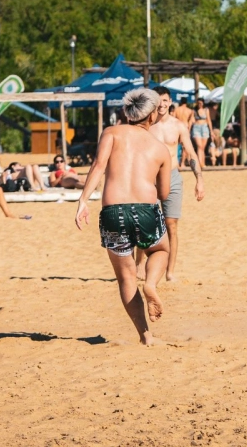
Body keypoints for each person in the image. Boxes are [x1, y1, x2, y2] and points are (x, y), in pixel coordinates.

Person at [74, 88, 171, 345]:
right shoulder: (161, 149)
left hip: (112, 212)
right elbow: (163, 192)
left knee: (126, 277)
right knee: (161, 250)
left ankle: (145, 336)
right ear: (150, 116)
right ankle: (151, 283)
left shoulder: (111, 133)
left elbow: (98, 166)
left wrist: (83, 200)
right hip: (145, 210)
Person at [142, 87, 205, 283]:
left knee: (172, 225)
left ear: (170, 102)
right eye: (158, 101)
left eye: (165, 100)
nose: (162, 104)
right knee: (143, 223)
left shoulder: (178, 126)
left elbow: (191, 153)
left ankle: (170, 272)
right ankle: (138, 266)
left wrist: (199, 179)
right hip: (149, 178)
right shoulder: (145, 126)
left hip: (172, 176)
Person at [189, 98, 212, 169]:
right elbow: (191, 120)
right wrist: (188, 130)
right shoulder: (194, 110)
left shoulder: (206, 110)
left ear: (203, 103)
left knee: (202, 147)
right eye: (198, 103)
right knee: (199, 146)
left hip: (204, 127)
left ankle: (203, 163)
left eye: (201, 103)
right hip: (197, 127)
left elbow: (209, 120)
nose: (199, 104)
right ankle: (200, 163)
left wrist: (211, 131)